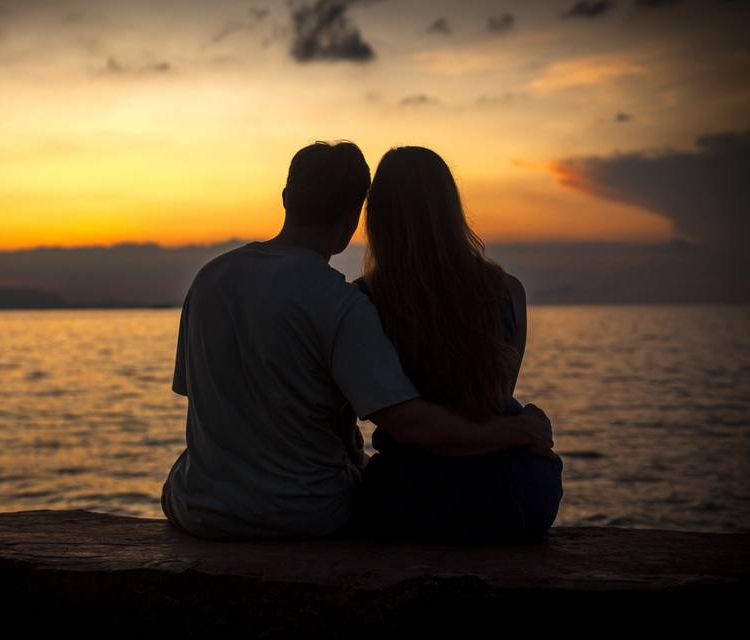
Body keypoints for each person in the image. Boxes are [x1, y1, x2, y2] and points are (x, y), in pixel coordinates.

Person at [160, 140, 557, 541]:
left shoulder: (209, 278)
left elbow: (198, 398)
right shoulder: (343, 303)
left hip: (203, 511)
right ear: (353, 217)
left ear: (285, 198)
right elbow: (411, 421)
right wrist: (519, 430)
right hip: (317, 512)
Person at [351, 146, 564, 545]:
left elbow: (410, 426)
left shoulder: (363, 301)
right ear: (451, 208)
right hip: (521, 495)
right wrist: (519, 432)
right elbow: (494, 405)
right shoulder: (508, 293)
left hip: (415, 497)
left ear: (377, 216)